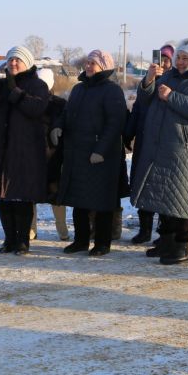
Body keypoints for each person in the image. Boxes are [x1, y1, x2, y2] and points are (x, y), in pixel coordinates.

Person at [130, 38, 188, 265]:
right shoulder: (170, 76)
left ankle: (185, 247)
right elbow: (146, 100)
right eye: (178, 58)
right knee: (165, 197)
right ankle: (167, 243)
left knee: (182, 199)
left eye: (185, 58)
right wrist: (149, 81)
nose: (180, 62)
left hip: (187, 149)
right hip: (163, 147)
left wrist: (172, 96)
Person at [51, 50, 127, 256]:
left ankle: (102, 243)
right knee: (79, 201)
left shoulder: (112, 91)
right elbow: (66, 113)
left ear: (104, 66)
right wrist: (58, 126)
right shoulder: (78, 89)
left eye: (93, 63)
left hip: (101, 157)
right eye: (88, 63)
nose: (89, 66)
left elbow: (115, 124)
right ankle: (81, 241)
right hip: (77, 154)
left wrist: (101, 150)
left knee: (102, 202)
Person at [0, 46, 49, 255]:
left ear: (27, 63)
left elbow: (37, 108)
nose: (13, 64)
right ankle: (9, 239)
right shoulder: (0, 84)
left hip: (25, 149)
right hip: (0, 148)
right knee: (3, 197)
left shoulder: (38, 85)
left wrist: (16, 94)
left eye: (17, 60)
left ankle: (23, 240)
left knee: (22, 197)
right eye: (10, 60)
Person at [125, 43, 174, 244]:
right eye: (159, 59)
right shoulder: (147, 79)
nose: (162, 63)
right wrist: (128, 134)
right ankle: (144, 230)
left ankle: (164, 231)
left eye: (166, 59)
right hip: (145, 139)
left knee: (162, 187)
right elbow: (140, 105)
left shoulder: (176, 80)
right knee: (143, 184)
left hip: (164, 140)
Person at [30, 68, 68, 241]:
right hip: (32, 153)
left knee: (56, 193)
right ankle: (31, 229)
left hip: (54, 155)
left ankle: (62, 229)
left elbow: (67, 124)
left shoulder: (60, 104)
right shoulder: (29, 101)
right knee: (30, 193)